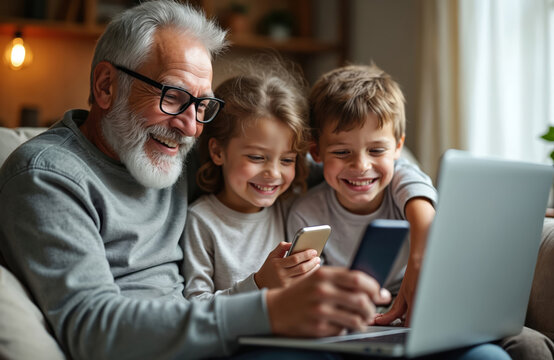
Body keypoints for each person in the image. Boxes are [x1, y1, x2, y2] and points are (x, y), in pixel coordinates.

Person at [0, 1, 510, 359]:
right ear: (106, 85)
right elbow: (93, 329)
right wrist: (268, 309)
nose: (190, 126)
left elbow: (356, 169)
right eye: (174, 96)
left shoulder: (176, 150)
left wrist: (424, 220)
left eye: (201, 107)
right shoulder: (48, 176)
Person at [287, 63, 436, 324]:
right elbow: (308, 289)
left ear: (398, 147)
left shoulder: (401, 182)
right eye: (342, 152)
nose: (361, 166)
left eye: (377, 151)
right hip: (344, 318)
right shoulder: (307, 213)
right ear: (316, 152)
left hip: (410, 309)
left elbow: (420, 199)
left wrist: (420, 261)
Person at [183, 58, 320, 300]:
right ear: (217, 152)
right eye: (257, 157)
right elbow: (196, 305)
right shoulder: (201, 222)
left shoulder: (291, 210)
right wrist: (259, 284)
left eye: (287, 160)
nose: (274, 174)